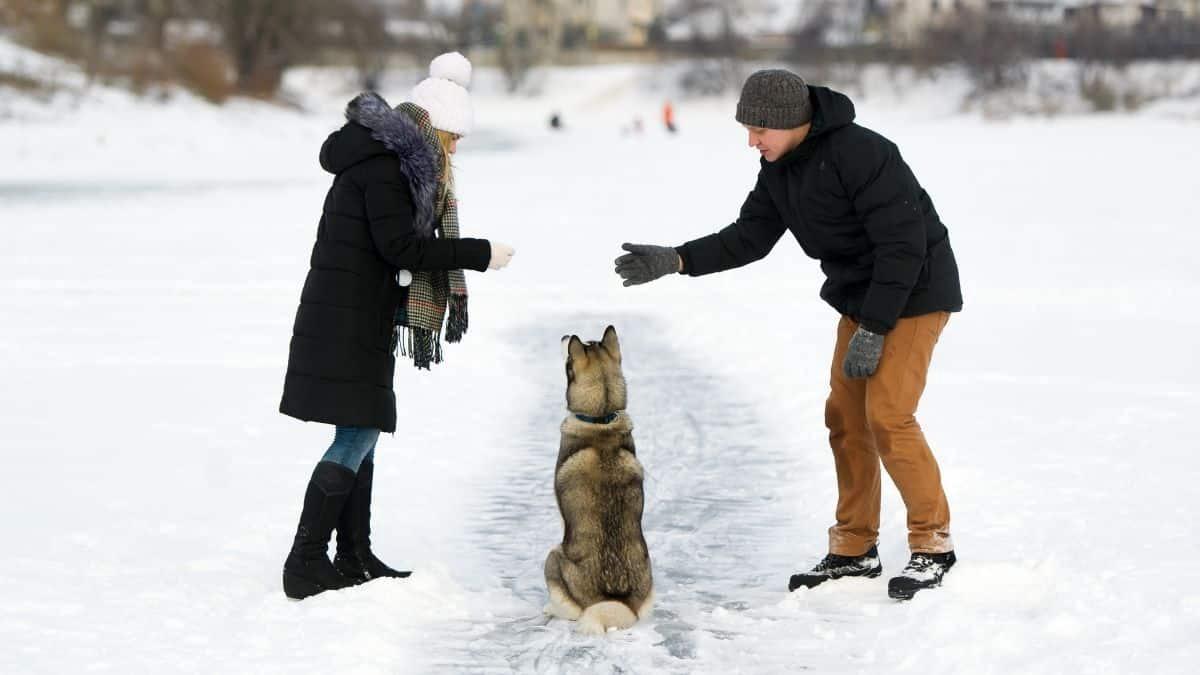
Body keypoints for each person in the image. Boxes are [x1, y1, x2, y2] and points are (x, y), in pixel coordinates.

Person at [614, 69, 963, 601]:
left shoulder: (865, 154)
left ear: (791, 121)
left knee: (888, 413)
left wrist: (873, 328)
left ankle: (933, 544)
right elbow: (749, 237)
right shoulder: (779, 168)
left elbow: (903, 247)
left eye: (758, 130)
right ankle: (853, 548)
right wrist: (679, 259)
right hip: (860, 300)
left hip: (914, 293)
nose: (751, 141)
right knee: (846, 418)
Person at [278, 52, 516, 600]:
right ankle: (305, 562)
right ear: (431, 128)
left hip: (359, 310)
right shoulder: (387, 166)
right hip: (348, 315)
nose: (455, 151)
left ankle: (353, 553)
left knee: (363, 431)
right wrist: (479, 253)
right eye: (453, 137)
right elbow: (399, 247)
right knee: (359, 431)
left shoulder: (390, 160)